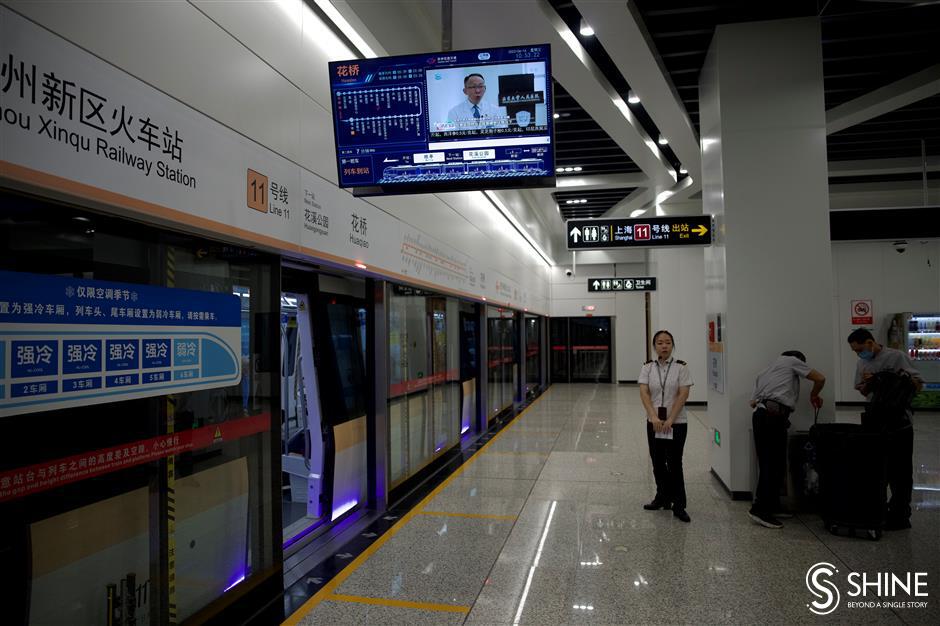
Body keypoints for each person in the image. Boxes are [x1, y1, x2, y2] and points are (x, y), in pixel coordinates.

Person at [847, 328, 923, 530]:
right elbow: (862, 390)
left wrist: (894, 380)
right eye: (855, 351)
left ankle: (900, 514)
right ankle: (879, 510)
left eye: (860, 349)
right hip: (875, 417)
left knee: (901, 469)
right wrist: (869, 384)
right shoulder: (862, 362)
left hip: (899, 420)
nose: (859, 354)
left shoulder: (897, 357)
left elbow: (918, 384)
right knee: (878, 467)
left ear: (871, 342)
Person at [748, 351, 826, 529]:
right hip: (771, 418)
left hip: (765, 416)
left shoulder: (765, 371)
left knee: (775, 464)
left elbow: (752, 402)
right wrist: (814, 395)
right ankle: (760, 509)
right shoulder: (791, 361)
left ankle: (773, 505)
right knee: (771, 464)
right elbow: (820, 378)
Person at [639, 330, 693, 523]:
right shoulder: (647, 367)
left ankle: (679, 505)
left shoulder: (681, 368)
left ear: (672, 345)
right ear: (655, 346)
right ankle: (662, 498)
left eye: (668, 342)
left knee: (675, 463)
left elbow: (683, 394)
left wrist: (670, 419)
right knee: (658, 462)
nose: (664, 346)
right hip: (654, 423)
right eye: (660, 343)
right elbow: (644, 393)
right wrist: (653, 417)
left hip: (676, 423)